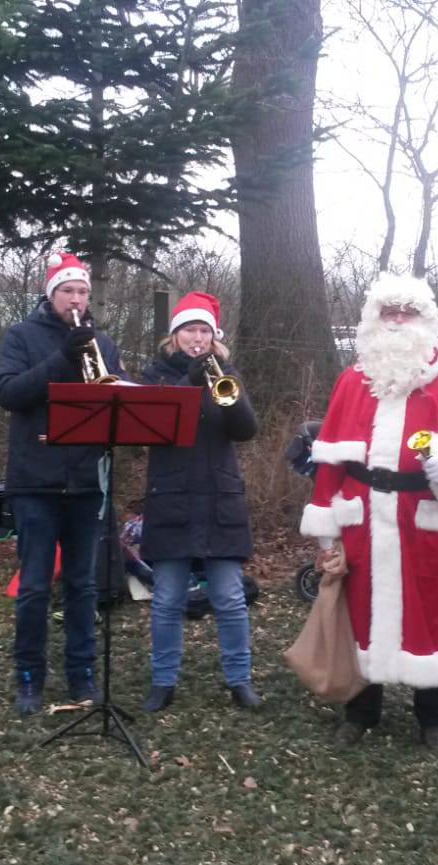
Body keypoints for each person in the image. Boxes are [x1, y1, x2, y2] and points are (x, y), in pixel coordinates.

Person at [300, 273, 438, 752]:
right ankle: (360, 710)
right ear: (373, 319)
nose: (395, 322)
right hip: (362, 516)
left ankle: (434, 716)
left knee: (429, 611)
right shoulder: (353, 380)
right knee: (360, 611)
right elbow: (330, 461)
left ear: (424, 321)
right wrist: (325, 527)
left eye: (405, 313)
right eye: (387, 313)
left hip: (421, 517)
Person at [0, 251, 126, 716]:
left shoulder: (103, 343)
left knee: (82, 586)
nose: (76, 299)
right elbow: (8, 393)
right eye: (67, 291)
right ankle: (29, 676)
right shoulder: (21, 336)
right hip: (36, 482)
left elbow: (120, 398)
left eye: (82, 291)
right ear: (50, 295)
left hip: (89, 481)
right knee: (33, 586)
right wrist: (60, 359)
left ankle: (81, 674)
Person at [137, 292, 263, 712]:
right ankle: (163, 680)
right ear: (174, 335)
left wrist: (220, 381)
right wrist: (189, 381)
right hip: (171, 496)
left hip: (218, 497)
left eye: (204, 330)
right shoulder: (154, 375)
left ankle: (239, 679)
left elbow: (245, 429)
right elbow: (152, 430)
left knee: (228, 597)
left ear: (214, 337)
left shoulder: (225, 373)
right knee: (168, 597)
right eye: (190, 329)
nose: (198, 337)